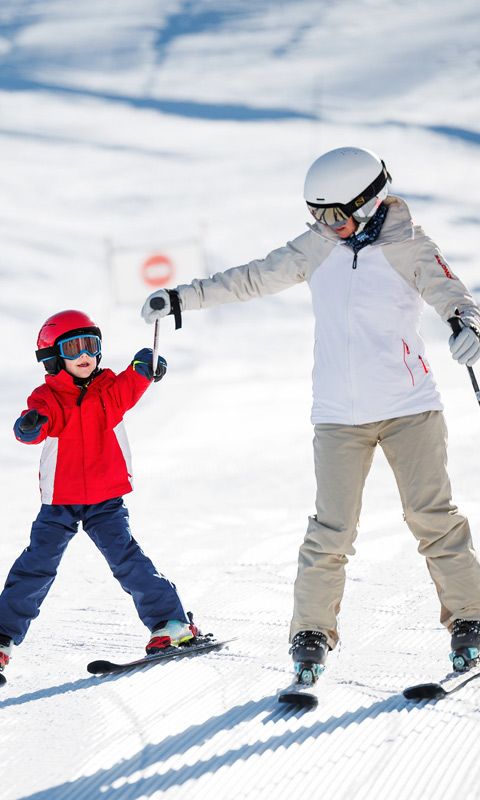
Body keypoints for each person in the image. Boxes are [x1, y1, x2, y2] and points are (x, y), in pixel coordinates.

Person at [142, 146, 480, 682]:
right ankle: (311, 633)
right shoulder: (318, 246)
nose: (327, 225)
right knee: (330, 531)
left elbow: (451, 293)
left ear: (368, 203)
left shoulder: (409, 246)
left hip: (409, 408)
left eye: (336, 215)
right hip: (338, 417)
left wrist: (466, 324)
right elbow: (252, 277)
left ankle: (471, 619)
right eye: (317, 214)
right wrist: (183, 298)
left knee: (432, 519)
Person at [0, 309, 201, 676]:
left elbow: (135, 378)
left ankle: (171, 623)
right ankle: (1, 638)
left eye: (91, 345)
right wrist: (29, 426)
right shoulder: (48, 398)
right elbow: (31, 428)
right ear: (53, 356)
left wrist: (146, 363)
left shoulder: (109, 390)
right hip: (61, 501)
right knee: (38, 564)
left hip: (105, 498)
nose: (85, 355)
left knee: (126, 558)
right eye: (74, 347)